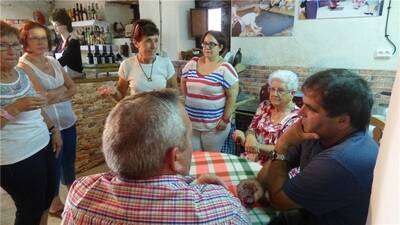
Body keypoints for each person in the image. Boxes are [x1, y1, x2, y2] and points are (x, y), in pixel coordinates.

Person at [62, 89, 250, 224]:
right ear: (175, 158)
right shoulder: (223, 211)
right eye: (188, 136)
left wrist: (192, 185)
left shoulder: (80, 192)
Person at [237, 69, 378, 225]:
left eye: (311, 108)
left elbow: (279, 201)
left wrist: (283, 143)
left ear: (342, 121)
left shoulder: (340, 160)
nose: (300, 112)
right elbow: (284, 159)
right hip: (303, 213)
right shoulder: (318, 131)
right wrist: (259, 182)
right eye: (303, 104)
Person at [0, 20, 62, 225]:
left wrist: (54, 129)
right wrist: (15, 108)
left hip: (43, 143)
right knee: (29, 209)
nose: (12, 51)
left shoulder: (21, 72)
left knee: (46, 199)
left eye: (15, 44)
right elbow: (22, 106)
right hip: (16, 156)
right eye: (3, 45)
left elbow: (37, 106)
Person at [17, 21, 77, 219]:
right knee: (53, 168)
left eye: (43, 37)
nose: (41, 42)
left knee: (69, 164)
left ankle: (74, 197)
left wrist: (51, 94)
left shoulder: (52, 60)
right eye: (34, 38)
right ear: (24, 41)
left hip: (68, 121)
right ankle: (54, 204)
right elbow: (39, 98)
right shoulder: (23, 66)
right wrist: (60, 92)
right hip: (48, 127)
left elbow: (73, 88)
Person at [181, 30, 239, 151]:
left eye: (211, 44)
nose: (207, 47)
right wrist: (186, 99)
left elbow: (232, 96)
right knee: (195, 158)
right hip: (192, 123)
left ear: (221, 47)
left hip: (214, 126)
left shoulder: (225, 68)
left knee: (211, 159)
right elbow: (183, 81)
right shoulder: (192, 63)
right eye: (205, 43)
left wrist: (225, 119)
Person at [98, 19, 177, 100]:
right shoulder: (127, 65)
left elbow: (174, 94)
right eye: (148, 41)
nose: (154, 46)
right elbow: (120, 96)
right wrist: (114, 92)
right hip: (137, 112)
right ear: (136, 43)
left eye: (156, 40)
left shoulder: (166, 63)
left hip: (161, 112)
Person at [233, 70, 300, 164]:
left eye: (280, 90)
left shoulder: (296, 118)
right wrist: (250, 138)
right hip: (251, 159)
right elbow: (252, 129)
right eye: (272, 89)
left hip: (274, 167)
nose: (274, 94)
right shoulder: (265, 106)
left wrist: (254, 145)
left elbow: (283, 152)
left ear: (292, 93)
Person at [50, 8, 83, 78]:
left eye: (56, 25)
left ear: (64, 25)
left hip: (75, 79)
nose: (54, 28)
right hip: (64, 78)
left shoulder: (73, 41)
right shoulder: (60, 43)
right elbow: (54, 59)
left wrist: (47, 67)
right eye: (53, 26)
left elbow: (64, 60)